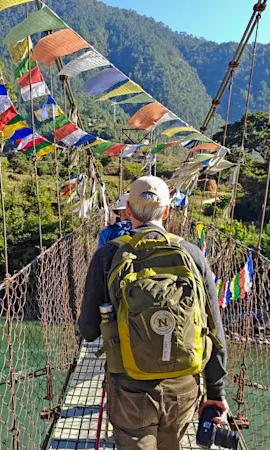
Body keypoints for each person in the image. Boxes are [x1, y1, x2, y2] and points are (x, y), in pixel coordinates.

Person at [79, 176, 229, 450]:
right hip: (183, 385)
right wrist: (215, 392)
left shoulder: (107, 256)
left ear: (127, 212)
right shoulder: (192, 254)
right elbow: (214, 329)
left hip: (129, 384)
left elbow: (88, 331)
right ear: (168, 211)